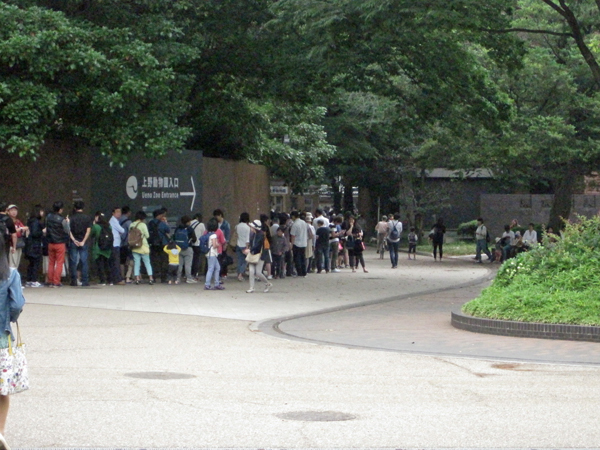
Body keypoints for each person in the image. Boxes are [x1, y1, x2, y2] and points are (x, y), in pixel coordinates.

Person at [0, 233, 26, 449]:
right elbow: (17, 304)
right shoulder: (11, 275)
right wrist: (11, 318)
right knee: (1, 391)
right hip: (2, 339)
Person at [68, 201, 92, 287]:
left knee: (73, 261)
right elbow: (88, 231)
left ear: (75, 208)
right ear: (83, 208)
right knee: (84, 261)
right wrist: (83, 241)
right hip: (83, 242)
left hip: (73, 242)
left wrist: (74, 240)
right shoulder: (87, 218)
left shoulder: (71, 218)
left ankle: (74, 280)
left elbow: (68, 230)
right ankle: (85, 281)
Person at [46, 201, 70, 287]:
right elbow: (67, 231)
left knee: (51, 262)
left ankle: (50, 280)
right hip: (60, 243)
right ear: (60, 209)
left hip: (50, 242)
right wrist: (68, 222)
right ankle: (56, 281)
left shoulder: (48, 217)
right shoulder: (62, 220)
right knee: (59, 262)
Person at [244, 220, 272, 293]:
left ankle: (267, 284)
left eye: (252, 226)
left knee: (258, 272)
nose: (250, 227)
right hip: (253, 254)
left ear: (255, 227)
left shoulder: (261, 235)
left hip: (260, 255)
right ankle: (251, 287)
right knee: (251, 271)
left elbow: (257, 245)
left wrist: (249, 250)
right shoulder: (253, 234)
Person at [130, 211, 154, 285]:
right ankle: (150, 278)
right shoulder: (143, 225)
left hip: (134, 246)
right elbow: (147, 236)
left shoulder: (131, 224)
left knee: (136, 263)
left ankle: (137, 278)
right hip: (143, 246)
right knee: (147, 262)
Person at [148, 209, 171, 283]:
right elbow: (168, 230)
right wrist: (166, 222)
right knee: (164, 260)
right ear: (159, 215)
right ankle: (163, 278)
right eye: (162, 215)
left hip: (153, 244)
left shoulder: (150, 223)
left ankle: (153, 277)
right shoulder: (162, 223)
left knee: (154, 261)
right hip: (162, 244)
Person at [24, 205, 44, 287]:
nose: (43, 213)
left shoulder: (30, 221)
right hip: (35, 245)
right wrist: (42, 232)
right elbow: (35, 233)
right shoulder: (36, 222)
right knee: (35, 263)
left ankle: (29, 280)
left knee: (31, 263)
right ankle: (34, 280)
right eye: (42, 211)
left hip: (30, 245)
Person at [91, 212, 112, 286]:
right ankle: (110, 280)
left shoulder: (96, 226)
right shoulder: (109, 226)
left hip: (98, 248)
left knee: (100, 265)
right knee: (107, 264)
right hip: (107, 248)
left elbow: (91, 234)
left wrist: (93, 225)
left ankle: (102, 280)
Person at [174, 215, 197, 283]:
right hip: (188, 248)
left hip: (178, 248)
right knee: (188, 264)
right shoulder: (189, 229)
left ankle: (178, 278)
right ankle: (189, 278)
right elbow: (194, 239)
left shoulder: (177, 228)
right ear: (187, 222)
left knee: (179, 264)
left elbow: (174, 237)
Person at [204, 218, 224, 290]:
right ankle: (207, 284)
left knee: (217, 267)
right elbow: (215, 245)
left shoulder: (207, 233)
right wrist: (219, 244)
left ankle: (216, 283)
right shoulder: (214, 235)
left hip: (209, 253)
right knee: (211, 268)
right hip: (212, 253)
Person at [6, 206, 27, 270]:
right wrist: (19, 229)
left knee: (16, 264)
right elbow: (11, 232)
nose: (14, 212)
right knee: (12, 265)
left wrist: (19, 229)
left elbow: (25, 227)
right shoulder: (7, 221)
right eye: (12, 210)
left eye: (15, 210)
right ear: (8, 211)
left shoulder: (18, 221)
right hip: (11, 245)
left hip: (18, 244)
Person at [108, 207, 125, 285]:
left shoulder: (114, 221)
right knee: (116, 262)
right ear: (113, 213)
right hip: (115, 244)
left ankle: (113, 278)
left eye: (120, 212)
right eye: (117, 212)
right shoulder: (113, 221)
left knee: (114, 262)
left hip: (115, 243)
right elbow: (122, 230)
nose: (119, 213)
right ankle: (117, 279)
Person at [213, 209, 231, 279]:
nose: (216, 218)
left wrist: (226, 244)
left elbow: (227, 235)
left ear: (220, 215)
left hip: (222, 244)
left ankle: (224, 273)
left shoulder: (226, 224)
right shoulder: (215, 223)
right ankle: (218, 273)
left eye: (216, 216)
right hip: (216, 244)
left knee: (223, 258)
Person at [290, 210, 308, 277]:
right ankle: (304, 272)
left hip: (297, 243)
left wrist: (291, 244)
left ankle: (299, 272)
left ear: (293, 216)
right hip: (304, 243)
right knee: (303, 258)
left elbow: (293, 235)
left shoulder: (295, 224)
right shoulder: (303, 222)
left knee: (297, 258)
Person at [234, 213, 251, 282]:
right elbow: (247, 239)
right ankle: (240, 275)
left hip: (238, 244)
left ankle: (239, 273)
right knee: (245, 261)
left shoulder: (237, 226)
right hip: (244, 245)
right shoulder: (247, 227)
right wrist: (247, 247)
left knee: (239, 260)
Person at [118, 206, 133, 284]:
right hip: (125, 243)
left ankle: (121, 276)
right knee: (128, 261)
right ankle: (126, 277)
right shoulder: (128, 221)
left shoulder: (117, 219)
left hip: (118, 243)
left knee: (121, 261)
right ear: (128, 212)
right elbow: (132, 231)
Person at [190, 213, 206, 280]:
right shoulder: (201, 224)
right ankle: (195, 273)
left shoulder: (190, 223)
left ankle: (188, 273)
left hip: (190, 244)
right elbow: (204, 234)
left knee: (190, 259)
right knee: (197, 259)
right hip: (198, 244)